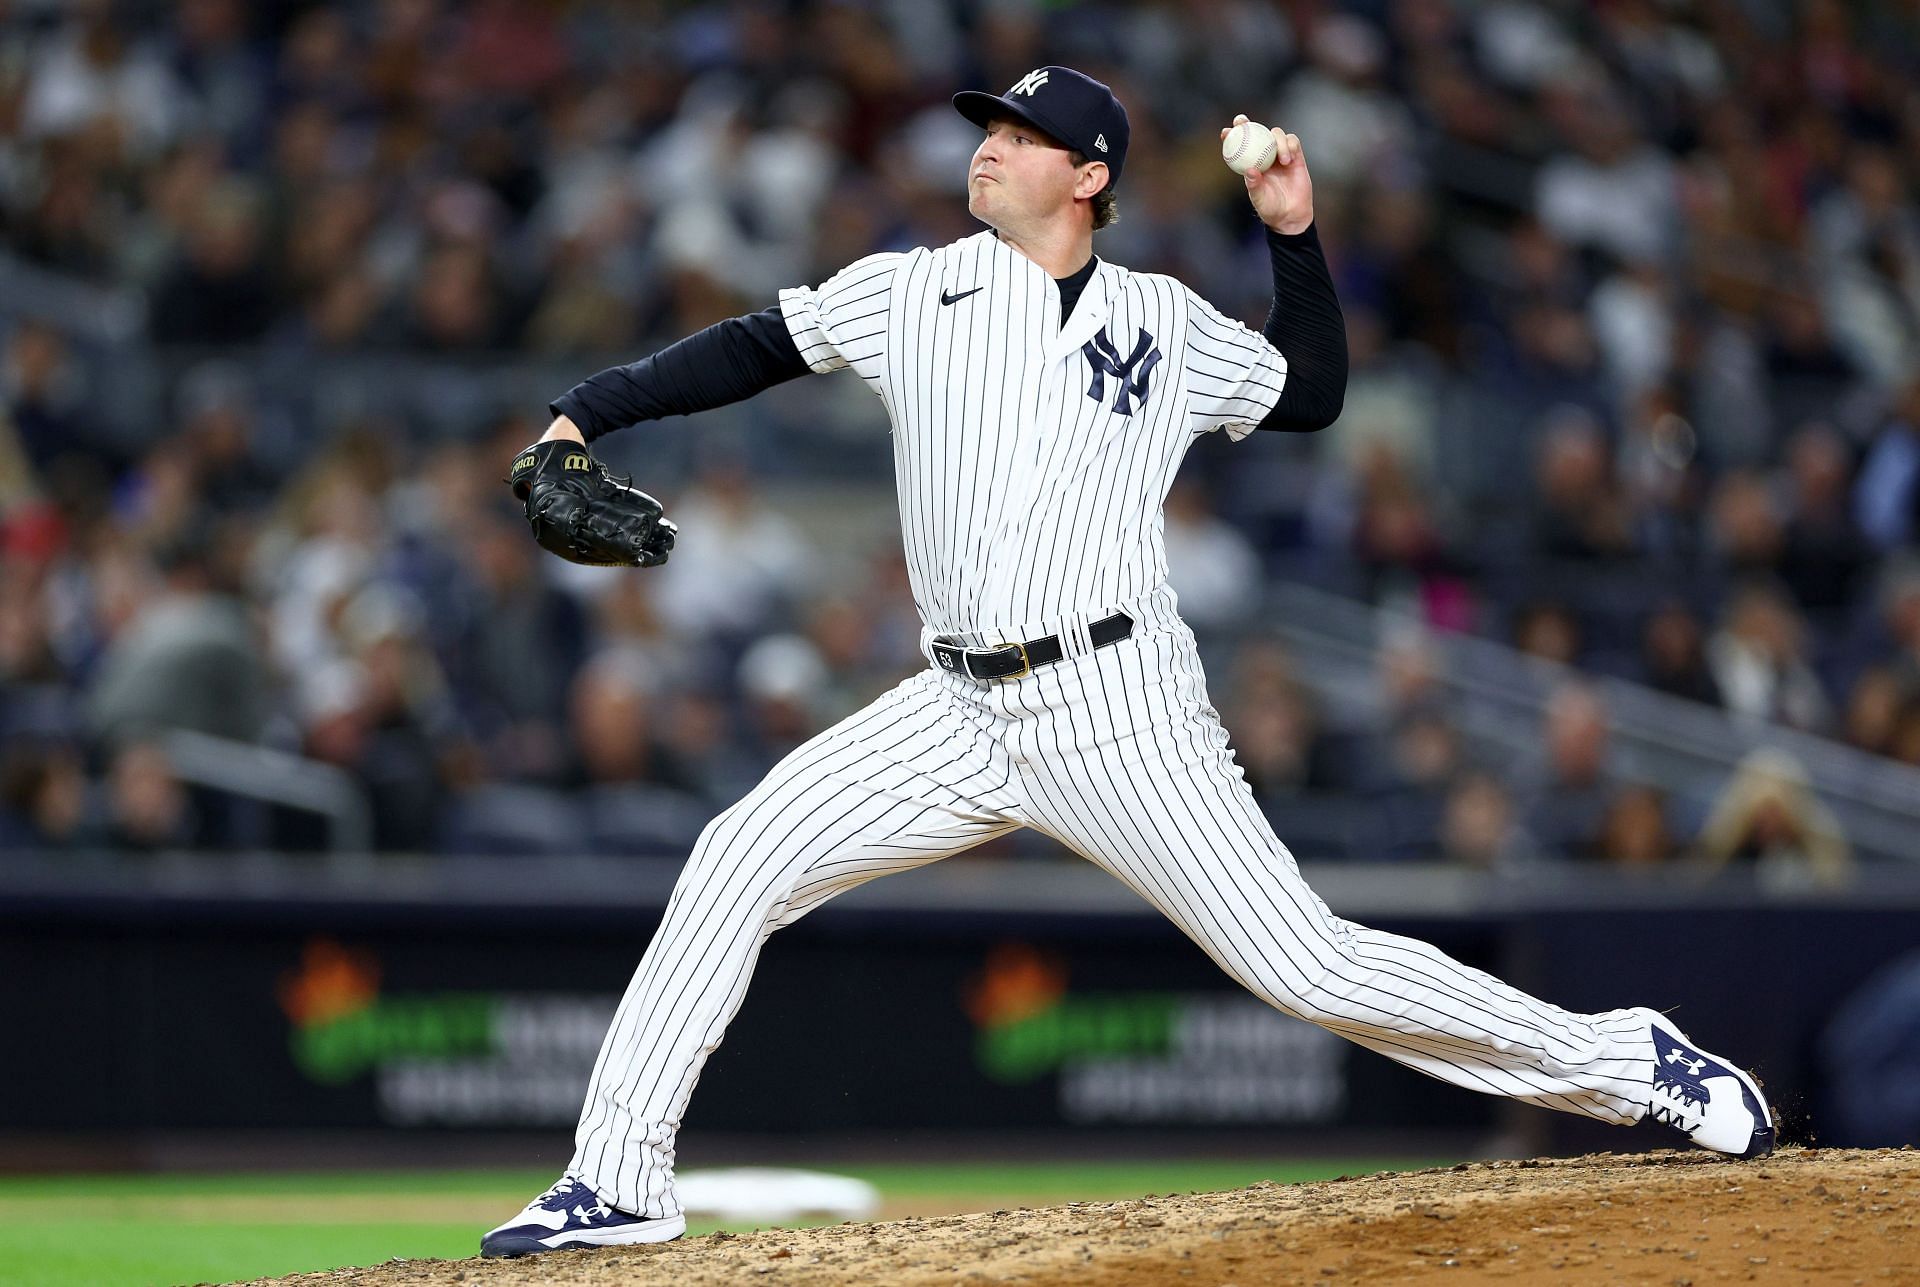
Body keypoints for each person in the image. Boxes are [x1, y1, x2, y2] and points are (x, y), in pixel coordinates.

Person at [482, 68, 1773, 1258]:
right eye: (986, 128)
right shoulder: (911, 290)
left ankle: (1624, 1062)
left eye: (1019, 135)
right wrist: (582, 412)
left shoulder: (1162, 319)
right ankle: (621, 1178)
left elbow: (1310, 391)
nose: (985, 147)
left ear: (1089, 176)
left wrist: (1290, 231)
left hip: (1117, 705)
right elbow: (745, 347)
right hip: (954, 705)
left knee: (1307, 967)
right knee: (737, 855)